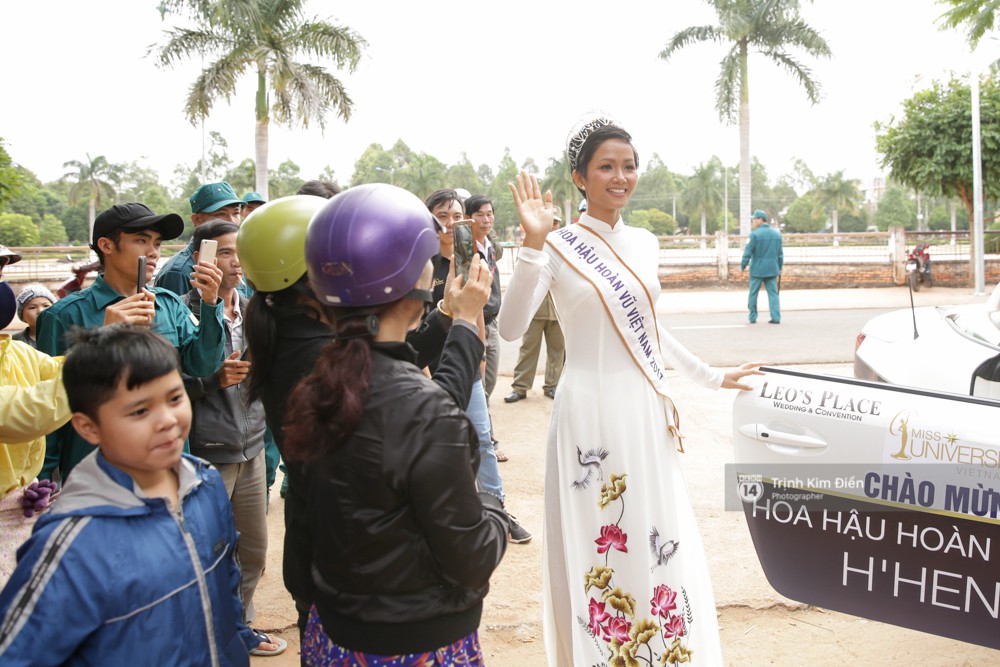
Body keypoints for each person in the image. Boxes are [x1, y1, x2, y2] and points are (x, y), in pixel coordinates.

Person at [499, 116, 762, 666]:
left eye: (629, 166)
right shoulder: (557, 245)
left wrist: (713, 376)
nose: (621, 177)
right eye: (606, 167)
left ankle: (662, 651)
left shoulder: (644, 242)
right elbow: (510, 327)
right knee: (604, 537)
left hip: (643, 408)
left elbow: (649, 328)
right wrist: (531, 243)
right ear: (579, 176)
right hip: (588, 414)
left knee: (655, 531)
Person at [238, 193, 494, 638]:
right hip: (392, 596)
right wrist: (467, 326)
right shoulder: (320, 354)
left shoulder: (297, 337)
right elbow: (424, 407)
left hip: (331, 573)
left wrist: (448, 315)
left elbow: (396, 366)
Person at [0, 325, 284, 664]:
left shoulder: (204, 484)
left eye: (175, 398)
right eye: (139, 411)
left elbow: (224, 588)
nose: (166, 420)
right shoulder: (69, 544)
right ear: (87, 426)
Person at [36, 202, 226, 482]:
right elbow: (48, 405)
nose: (153, 252)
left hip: (166, 466)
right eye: (141, 240)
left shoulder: (168, 304)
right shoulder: (63, 316)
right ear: (106, 245)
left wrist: (210, 304)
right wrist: (42, 484)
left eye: (157, 244)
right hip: (97, 473)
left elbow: (203, 365)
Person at [180, 219, 273, 646]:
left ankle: (239, 627)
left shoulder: (257, 308)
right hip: (207, 451)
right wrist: (211, 382)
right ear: (199, 258)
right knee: (209, 551)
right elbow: (177, 381)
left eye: (239, 252)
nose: (234, 262)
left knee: (252, 550)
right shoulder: (181, 310)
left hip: (251, 447)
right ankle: (205, 634)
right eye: (223, 253)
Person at [424, 188, 532, 543]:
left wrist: (481, 353)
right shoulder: (423, 265)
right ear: (431, 220)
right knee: (439, 447)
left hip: (467, 367)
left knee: (483, 439)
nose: (452, 223)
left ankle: (496, 509)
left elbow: (478, 311)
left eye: (457, 216)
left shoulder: (474, 261)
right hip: (431, 370)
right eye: (444, 215)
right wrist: (423, 373)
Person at [0, 249, 70, 587]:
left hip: (17, 512)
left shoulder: (15, 351)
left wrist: (108, 341)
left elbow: (58, 368)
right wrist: (97, 363)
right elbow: (20, 414)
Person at [505, 205, 565, 403]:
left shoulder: (566, 248)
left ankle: (552, 385)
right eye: (551, 222)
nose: (553, 225)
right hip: (535, 308)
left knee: (557, 350)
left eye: (556, 222)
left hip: (558, 308)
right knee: (528, 348)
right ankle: (520, 387)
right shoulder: (532, 244)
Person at [154, 180, 243, 296]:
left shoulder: (240, 262)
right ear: (197, 220)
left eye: (236, 213)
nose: (231, 221)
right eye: (220, 214)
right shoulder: (178, 272)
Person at [740, 209, 784, 324]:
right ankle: (776, 317)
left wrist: (743, 266)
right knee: (773, 294)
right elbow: (780, 254)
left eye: (754, 219)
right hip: (772, 269)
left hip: (757, 270)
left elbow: (747, 252)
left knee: (753, 293)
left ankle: (753, 317)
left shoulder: (754, 235)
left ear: (760, 219)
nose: (753, 221)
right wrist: (780, 267)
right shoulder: (777, 235)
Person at [12, 283, 56, 349]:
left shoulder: (65, 337)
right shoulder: (14, 341)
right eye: (32, 307)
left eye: (46, 306)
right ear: (22, 316)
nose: (40, 311)